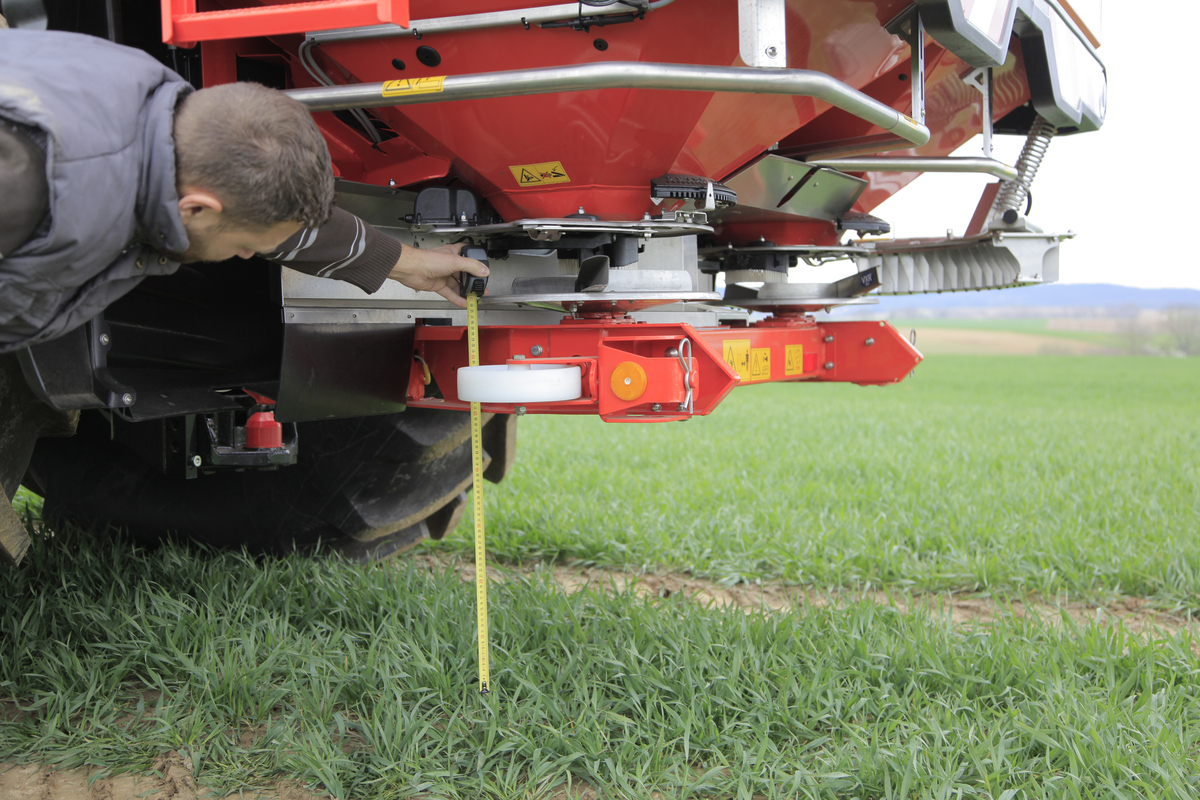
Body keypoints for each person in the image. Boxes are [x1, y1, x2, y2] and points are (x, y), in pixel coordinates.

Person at [0, 29, 489, 564]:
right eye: (242, 246)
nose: (244, 258)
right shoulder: (31, 194)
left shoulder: (172, 119)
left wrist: (406, 264)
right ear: (197, 209)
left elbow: (278, 223)